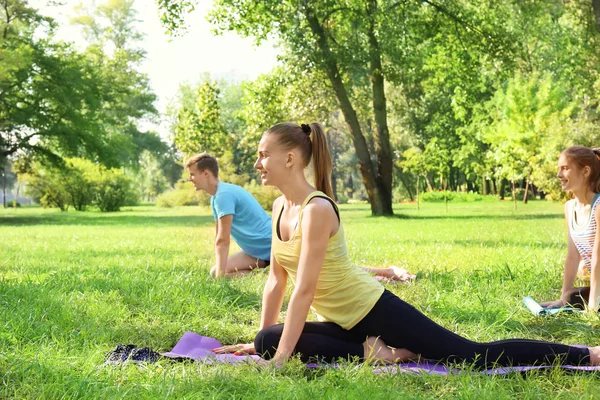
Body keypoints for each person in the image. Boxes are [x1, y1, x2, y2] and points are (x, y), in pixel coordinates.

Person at [213, 123, 600, 367]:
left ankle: (587, 354)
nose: (258, 162)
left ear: (291, 158)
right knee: (266, 340)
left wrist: (281, 360)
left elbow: (304, 290)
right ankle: (377, 352)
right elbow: (275, 283)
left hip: (372, 309)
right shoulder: (280, 206)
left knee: (472, 355)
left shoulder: (317, 210)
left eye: (264, 155)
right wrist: (262, 342)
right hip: (343, 320)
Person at [186, 153, 415, 281]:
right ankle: (266, 270)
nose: (190, 179)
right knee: (217, 272)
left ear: (206, 174)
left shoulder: (224, 195)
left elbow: (222, 240)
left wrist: (219, 277)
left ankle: (387, 272)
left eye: (192, 175)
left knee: (329, 270)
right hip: (258, 252)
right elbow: (221, 238)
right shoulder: (217, 196)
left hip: (273, 244)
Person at [541, 146, 600, 310]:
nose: (559, 175)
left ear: (585, 171)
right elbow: (573, 256)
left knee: (585, 301)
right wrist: (563, 297)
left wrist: (593, 307)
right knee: (569, 296)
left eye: (565, 168)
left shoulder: (599, 207)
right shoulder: (569, 207)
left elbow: (598, 260)